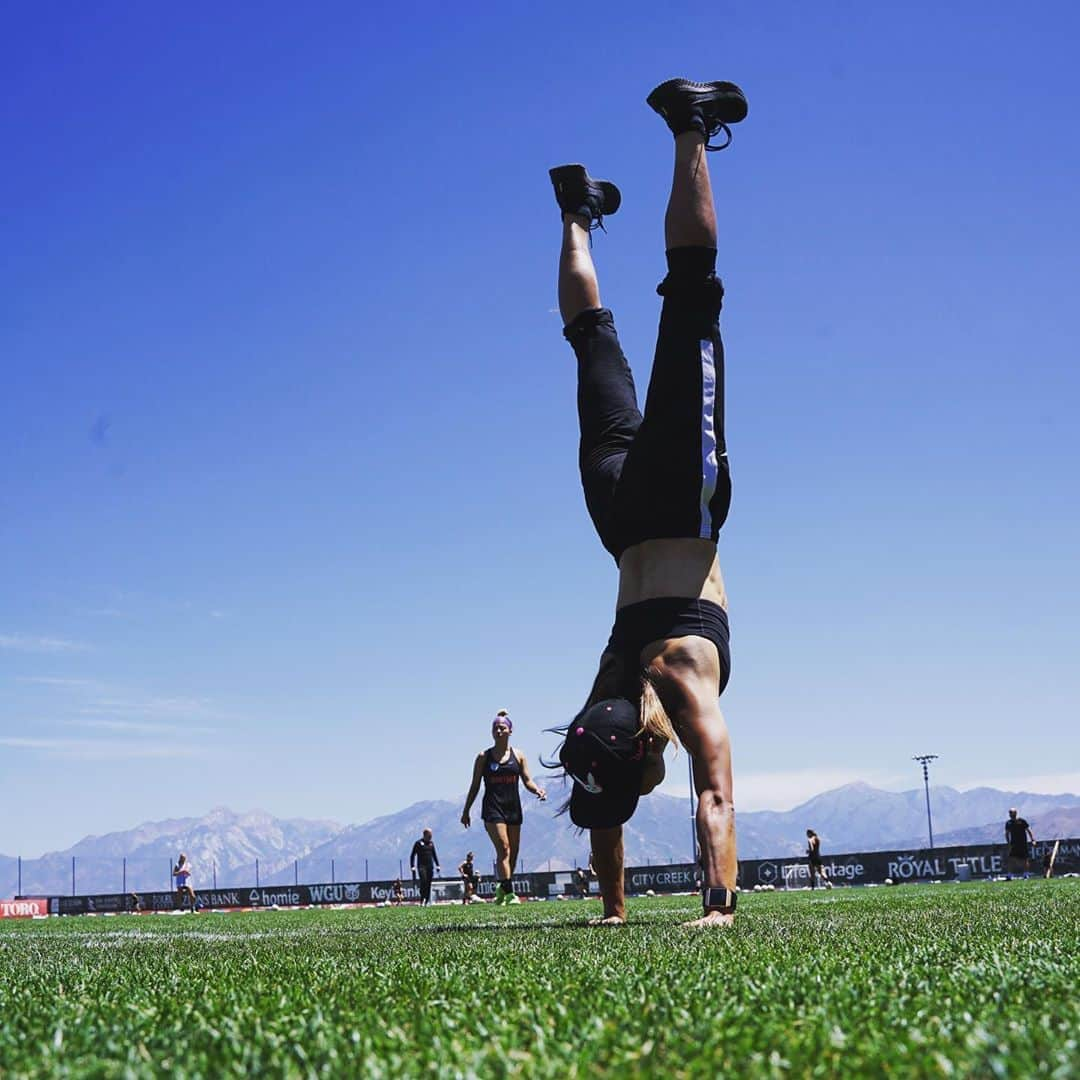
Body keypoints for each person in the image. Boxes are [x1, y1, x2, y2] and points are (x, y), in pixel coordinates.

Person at [548, 78, 748, 928]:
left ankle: (690, 126)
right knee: (593, 345)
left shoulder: (677, 680)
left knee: (692, 297)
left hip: (672, 506)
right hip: (615, 518)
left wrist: (720, 905)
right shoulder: (604, 693)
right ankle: (576, 214)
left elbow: (716, 797)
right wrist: (613, 910)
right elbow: (598, 793)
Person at [461, 709, 547, 904]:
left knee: (513, 853)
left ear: (510, 731)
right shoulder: (484, 757)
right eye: (495, 729)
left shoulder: (519, 755)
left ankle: (502, 886)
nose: (498, 731)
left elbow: (527, 780)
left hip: (513, 808)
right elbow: (474, 786)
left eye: (502, 728)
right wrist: (466, 811)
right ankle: (509, 893)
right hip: (493, 809)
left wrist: (537, 791)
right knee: (504, 848)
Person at [409, 828, 441, 905]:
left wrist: (438, 865)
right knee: (423, 881)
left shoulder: (431, 843)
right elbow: (412, 855)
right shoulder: (418, 843)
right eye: (430, 835)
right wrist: (412, 866)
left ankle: (426, 900)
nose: (431, 836)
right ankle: (422, 898)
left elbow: (434, 854)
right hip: (421, 866)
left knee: (428, 883)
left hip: (430, 866)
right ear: (425, 834)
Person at [1005, 808, 1035, 879]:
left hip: (1023, 843)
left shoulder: (1022, 821)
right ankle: (1009, 875)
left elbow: (1028, 831)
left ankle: (1025, 874)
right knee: (1011, 859)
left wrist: (1032, 840)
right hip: (1013, 844)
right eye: (1010, 813)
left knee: (1025, 859)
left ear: (1016, 813)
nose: (1011, 815)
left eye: (1012, 813)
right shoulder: (1008, 823)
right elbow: (1006, 833)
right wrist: (1008, 843)